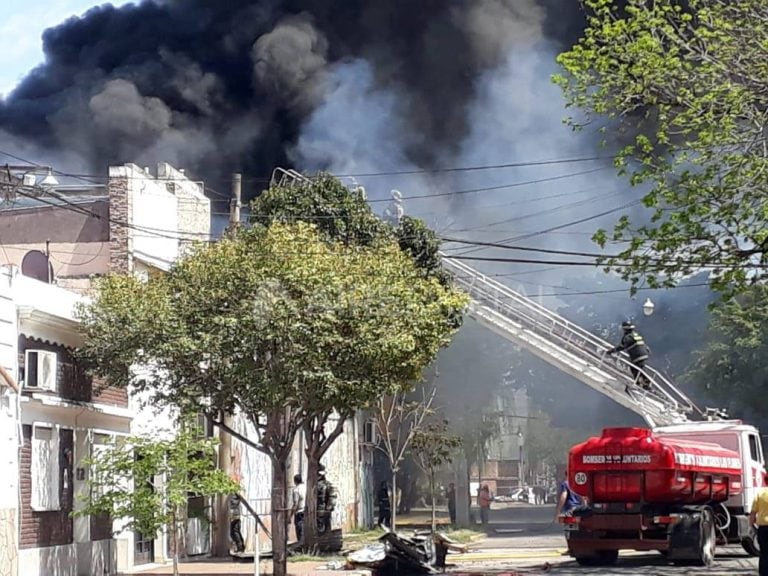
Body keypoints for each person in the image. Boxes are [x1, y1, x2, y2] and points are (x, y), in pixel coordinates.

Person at [607, 320, 651, 390]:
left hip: (637, 355)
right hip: (644, 354)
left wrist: (611, 351)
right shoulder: (635, 334)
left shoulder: (627, 337)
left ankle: (642, 383)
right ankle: (644, 384)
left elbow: (621, 346)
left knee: (634, 369)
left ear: (625, 329)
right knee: (638, 368)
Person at [749, 480, 768, 576]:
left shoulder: (760, 494)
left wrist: (751, 525)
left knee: (764, 552)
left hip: (763, 529)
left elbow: (752, 513)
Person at [316, 465, 337, 533]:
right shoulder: (316, 484)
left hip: (322, 510)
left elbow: (332, 497)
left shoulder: (325, 485)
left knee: (322, 528)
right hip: (318, 510)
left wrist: (328, 508)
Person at [291, 474, 306, 544]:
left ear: (295, 481)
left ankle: (301, 544)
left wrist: (290, 515)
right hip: (307, 511)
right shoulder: (306, 487)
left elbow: (295, 503)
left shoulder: (296, 490)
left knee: (299, 529)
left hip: (299, 512)